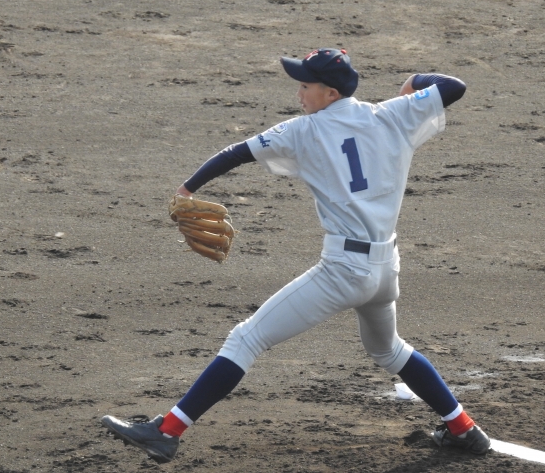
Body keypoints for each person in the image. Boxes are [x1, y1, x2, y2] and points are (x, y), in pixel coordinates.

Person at [101, 48, 491, 463]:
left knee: (246, 339)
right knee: (389, 351)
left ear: (330, 93)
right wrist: (414, 82)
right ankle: (464, 430)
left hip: (343, 271)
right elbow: (453, 86)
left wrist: (186, 190)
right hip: (384, 269)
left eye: (306, 86)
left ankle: (166, 432)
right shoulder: (392, 114)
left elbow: (235, 153)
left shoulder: (303, 130)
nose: (299, 94)